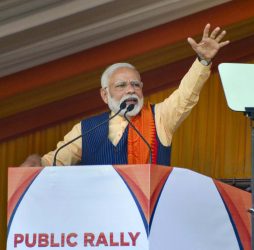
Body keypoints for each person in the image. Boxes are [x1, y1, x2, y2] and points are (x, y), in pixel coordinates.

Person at [20, 23, 229, 167]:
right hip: (102, 225)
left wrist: (203, 61)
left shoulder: (160, 118)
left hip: (146, 219)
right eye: (121, 85)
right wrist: (35, 162)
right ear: (105, 94)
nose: (131, 89)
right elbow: (53, 162)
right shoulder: (86, 128)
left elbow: (185, 96)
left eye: (136, 84)